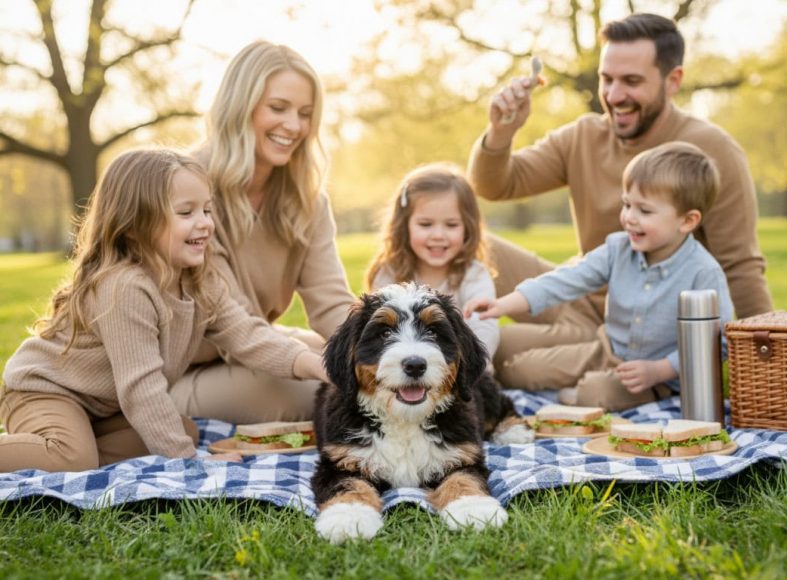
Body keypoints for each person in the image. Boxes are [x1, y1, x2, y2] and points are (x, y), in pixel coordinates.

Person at [467, 12, 771, 388]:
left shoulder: (713, 151)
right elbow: (494, 185)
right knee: (465, 245)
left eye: (631, 81)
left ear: (673, 80)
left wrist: (766, 365)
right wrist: (501, 131)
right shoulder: (583, 136)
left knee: (504, 358)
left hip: (647, 329)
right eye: (606, 79)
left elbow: (740, 267)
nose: (613, 96)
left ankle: (599, 370)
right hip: (578, 296)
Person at [0, 149, 330, 472]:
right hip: (44, 392)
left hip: (102, 409)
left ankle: (76, 453)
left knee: (182, 431)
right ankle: (66, 454)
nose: (205, 223)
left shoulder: (199, 280)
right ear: (134, 225)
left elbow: (249, 335)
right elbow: (141, 389)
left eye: (207, 210)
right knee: (74, 457)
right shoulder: (125, 287)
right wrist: (189, 462)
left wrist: (315, 364)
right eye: (186, 213)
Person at [464, 142, 734, 411]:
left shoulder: (704, 272)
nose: (629, 218)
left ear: (687, 221)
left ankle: (581, 393)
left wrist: (660, 370)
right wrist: (503, 304)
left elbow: (717, 341)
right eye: (627, 204)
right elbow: (566, 279)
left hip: (657, 376)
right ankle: (575, 390)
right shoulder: (618, 249)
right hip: (605, 351)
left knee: (595, 393)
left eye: (644, 210)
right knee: (519, 371)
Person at [169, 41, 356, 424]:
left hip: (253, 349)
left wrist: (382, 352)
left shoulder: (306, 200)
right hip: (176, 370)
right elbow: (233, 325)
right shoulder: (186, 188)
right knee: (320, 389)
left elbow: (332, 303)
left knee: (357, 361)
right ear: (240, 106)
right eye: (278, 108)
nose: (294, 126)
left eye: (305, 114)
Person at [366, 163, 499, 363]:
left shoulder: (474, 275)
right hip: (404, 367)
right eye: (425, 224)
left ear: (467, 228)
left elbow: (485, 329)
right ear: (404, 226)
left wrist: (460, 367)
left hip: (462, 369)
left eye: (451, 225)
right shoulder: (389, 273)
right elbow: (376, 331)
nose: (438, 235)